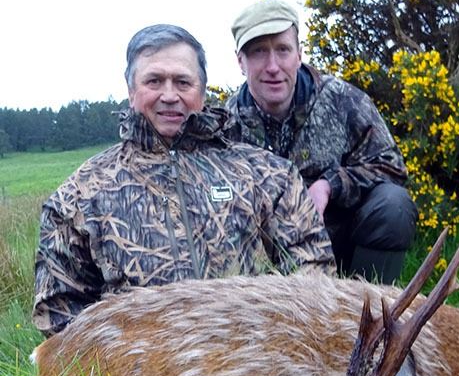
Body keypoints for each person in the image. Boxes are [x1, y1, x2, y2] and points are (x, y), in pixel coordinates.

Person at [33, 24, 335, 338]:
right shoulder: (78, 196)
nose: (169, 95)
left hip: (256, 355)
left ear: (202, 91)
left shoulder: (269, 175)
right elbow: (59, 314)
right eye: (154, 81)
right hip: (139, 364)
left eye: (182, 82)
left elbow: (314, 275)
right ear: (131, 90)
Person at [224, 0, 418, 285]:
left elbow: (391, 168)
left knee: (393, 205)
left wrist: (330, 185)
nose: (273, 66)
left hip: (337, 239)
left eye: (283, 50)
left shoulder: (344, 100)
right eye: (259, 52)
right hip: (266, 258)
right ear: (241, 61)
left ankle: (370, 303)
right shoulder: (224, 125)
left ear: (299, 54)